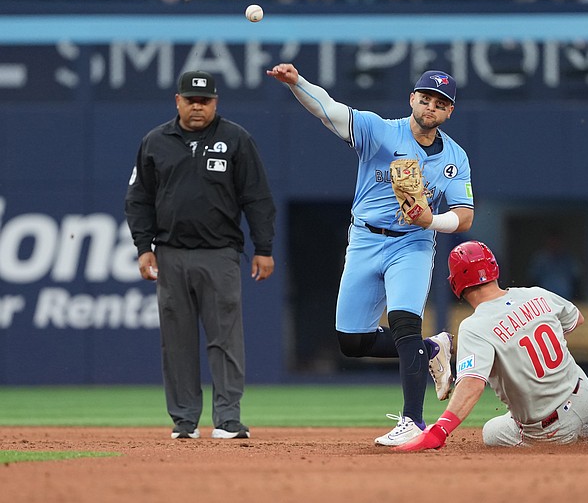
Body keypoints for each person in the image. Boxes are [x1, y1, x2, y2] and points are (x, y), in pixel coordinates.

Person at [266, 63, 474, 446]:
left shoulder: (455, 158)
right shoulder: (379, 131)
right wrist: (297, 83)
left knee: (403, 323)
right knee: (352, 341)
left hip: (411, 243)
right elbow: (329, 110)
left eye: (440, 103)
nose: (430, 106)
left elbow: (464, 217)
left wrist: (431, 220)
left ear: (449, 112)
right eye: (425, 98)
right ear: (412, 98)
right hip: (364, 239)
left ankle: (414, 422)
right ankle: (432, 348)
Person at [125, 70, 277, 440]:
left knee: (226, 338)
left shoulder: (235, 139)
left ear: (215, 102)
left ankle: (227, 419)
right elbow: (139, 200)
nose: (197, 106)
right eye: (190, 99)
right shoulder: (155, 142)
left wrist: (264, 249)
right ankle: (184, 421)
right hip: (171, 253)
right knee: (176, 341)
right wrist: (144, 247)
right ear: (177, 100)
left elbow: (256, 197)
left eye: (204, 100)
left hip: (220, 253)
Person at [394, 240, 588, 451]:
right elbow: (577, 319)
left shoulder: (474, 326)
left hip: (552, 428)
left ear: (456, 283)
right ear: (493, 269)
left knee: (492, 431)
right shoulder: (535, 294)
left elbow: (472, 386)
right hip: (585, 395)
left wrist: (440, 431)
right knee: (566, 363)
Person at [527, 229, 581, 300]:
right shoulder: (540, 259)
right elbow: (533, 280)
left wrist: (577, 298)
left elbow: (577, 280)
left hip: (565, 299)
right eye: (552, 241)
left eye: (557, 241)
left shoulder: (568, 259)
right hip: (544, 300)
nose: (555, 244)